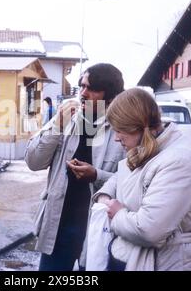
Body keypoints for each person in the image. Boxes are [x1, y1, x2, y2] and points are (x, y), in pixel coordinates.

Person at [25, 63, 125, 271]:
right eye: (81, 86)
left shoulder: (122, 128)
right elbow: (34, 161)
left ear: (111, 94)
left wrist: (96, 175)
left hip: (99, 227)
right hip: (59, 223)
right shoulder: (67, 118)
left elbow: (132, 181)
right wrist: (57, 126)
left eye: (91, 88)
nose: (83, 93)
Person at [93, 88, 191, 271]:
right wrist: (105, 197)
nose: (116, 138)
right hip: (134, 258)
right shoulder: (148, 149)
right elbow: (120, 177)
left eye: (120, 130)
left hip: (165, 263)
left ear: (136, 126)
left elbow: (149, 230)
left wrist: (117, 213)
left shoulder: (179, 161)